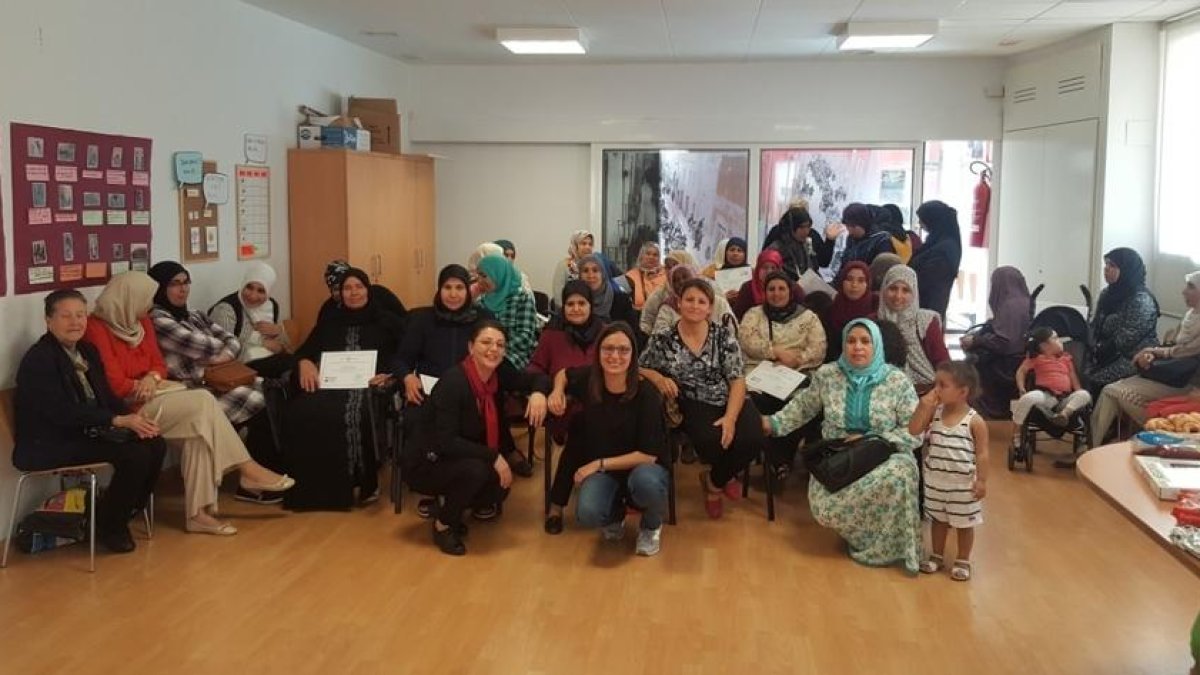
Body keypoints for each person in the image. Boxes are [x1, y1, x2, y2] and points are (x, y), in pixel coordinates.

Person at [84, 272, 293, 535]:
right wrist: (142, 384)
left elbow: (158, 363)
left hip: (159, 393)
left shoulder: (142, 321)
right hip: (128, 408)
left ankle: (198, 515)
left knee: (199, 432)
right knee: (204, 402)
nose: (149, 305)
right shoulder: (96, 328)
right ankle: (247, 468)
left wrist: (152, 376)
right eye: (145, 299)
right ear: (129, 298)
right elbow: (113, 382)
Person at [763, 318, 922, 573]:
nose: (857, 347)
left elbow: (915, 429)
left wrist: (875, 439)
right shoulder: (828, 374)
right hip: (838, 454)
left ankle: (890, 547)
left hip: (886, 452)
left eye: (865, 341)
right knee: (827, 505)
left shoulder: (897, 381)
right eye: (851, 341)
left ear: (876, 345)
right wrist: (773, 423)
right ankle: (861, 537)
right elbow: (804, 407)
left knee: (900, 475)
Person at [14, 289, 166, 553]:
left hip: (86, 430)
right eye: (66, 316)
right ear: (48, 321)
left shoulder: (86, 350)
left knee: (154, 442)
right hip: (51, 441)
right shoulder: (39, 359)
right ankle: (112, 526)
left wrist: (134, 417)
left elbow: (105, 395)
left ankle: (118, 511)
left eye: (81, 315)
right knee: (133, 456)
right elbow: (61, 412)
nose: (75, 322)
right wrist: (117, 419)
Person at [405, 320, 549, 555]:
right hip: (427, 460)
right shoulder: (454, 382)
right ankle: (443, 524)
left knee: (499, 489)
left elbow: (537, 378)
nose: (493, 349)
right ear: (471, 347)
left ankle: (452, 502)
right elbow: (446, 441)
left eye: (500, 344)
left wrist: (539, 394)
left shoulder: (497, 374)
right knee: (478, 471)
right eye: (486, 342)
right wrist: (494, 456)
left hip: (458, 454)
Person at [282, 267, 405, 510]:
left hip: (372, 387)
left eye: (358, 287)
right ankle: (313, 491)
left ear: (368, 290)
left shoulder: (388, 322)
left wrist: (389, 375)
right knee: (301, 410)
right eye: (347, 288)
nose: (353, 293)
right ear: (339, 293)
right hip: (331, 385)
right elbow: (304, 352)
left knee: (356, 413)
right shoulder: (330, 322)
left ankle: (364, 482)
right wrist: (304, 362)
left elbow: (405, 356)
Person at [639, 279, 763, 519]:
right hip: (693, 400)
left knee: (753, 437)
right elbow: (639, 366)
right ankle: (724, 475)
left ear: (710, 307)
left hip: (730, 397)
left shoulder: (723, 335)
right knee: (711, 440)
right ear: (679, 303)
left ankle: (714, 481)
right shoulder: (663, 338)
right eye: (689, 300)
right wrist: (658, 378)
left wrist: (730, 416)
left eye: (701, 301)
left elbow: (737, 379)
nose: (695, 306)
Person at [545, 323, 669, 555]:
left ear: (633, 355)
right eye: (608, 349)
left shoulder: (646, 393)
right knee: (588, 512)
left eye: (623, 350)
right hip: (607, 471)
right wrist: (556, 391)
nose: (615, 356)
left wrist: (597, 464)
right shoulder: (589, 378)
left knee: (647, 484)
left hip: (643, 466)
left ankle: (651, 526)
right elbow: (563, 374)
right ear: (598, 352)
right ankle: (615, 515)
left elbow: (648, 455)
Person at [146, 261, 266, 427]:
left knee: (270, 389)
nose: (183, 289)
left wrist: (221, 356)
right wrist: (220, 351)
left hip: (221, 378)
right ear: (159, 287)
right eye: (174, 284)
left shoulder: (195, 315)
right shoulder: (158, 320)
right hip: (195, 388)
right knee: (258, 399)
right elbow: (205, 347)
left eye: (186, 282)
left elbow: (233, 341)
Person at [1091, 270, 1200, 441]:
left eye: (1191, 287)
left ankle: (1161, 437)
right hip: (1168, 373)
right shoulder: (1190, 316)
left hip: (1188, 383)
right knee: (1109, 390)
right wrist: (1152, 353)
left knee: (1117, 393)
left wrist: (1151, 351)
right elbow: (1171, 346)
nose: (1184, 291)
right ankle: (1092, 447)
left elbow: (1184, 352)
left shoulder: (1141, 299)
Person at [738, 272, 826, 481]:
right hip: (760, 371)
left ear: (790, 291)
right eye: (771, 289)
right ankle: (777, 459)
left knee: (802, 405)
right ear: (765, 292)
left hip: (796, 373)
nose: (776, 294)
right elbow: (746, 341)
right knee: (756, 402)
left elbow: (818, 349)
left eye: (781, 289)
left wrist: (797, 360)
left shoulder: (808, 317)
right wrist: (774, 352)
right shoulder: (754, 314)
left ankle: (780, 458)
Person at [908, 361, 989, 581]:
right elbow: (913, 430)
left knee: (964, 523)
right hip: (935, 481)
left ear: (963, 392)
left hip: (962, 484)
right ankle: (937, 555)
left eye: (942, 385)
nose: (936, 390)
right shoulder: (934, 413)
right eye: (936, 384)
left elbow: (982, 453)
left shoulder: (975, 421)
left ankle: (963, 559)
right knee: (938, 520)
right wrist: (924, 406)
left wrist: (981, 480)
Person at [527, 281, 604, 441]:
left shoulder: (605, 333)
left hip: (601, 405)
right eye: (570, 304)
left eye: (582, 303)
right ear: (563, 307)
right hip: (562, 408)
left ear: (591, 305)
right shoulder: (552, 334)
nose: (576, 309)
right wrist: (538, 392)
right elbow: (536, 367)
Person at [1086, 248, 1160, 395]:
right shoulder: (1107, 293)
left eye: (1112, 265)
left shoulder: (1141, 300)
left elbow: (1125, 339)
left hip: (1133, 358)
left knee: (1092, 379)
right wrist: (1089, 343)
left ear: (1127, 270)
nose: (1106, 269)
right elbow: (1096, 325)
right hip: (1106, 352)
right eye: (1106, 264)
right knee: (1070, 369)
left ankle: (1094, 417)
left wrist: (1097, 351)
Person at [963, 267, 1032, 419]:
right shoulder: (1027, 301)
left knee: (972, 365)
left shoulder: (1008, 305)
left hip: (1005, 366)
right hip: (1023, 361)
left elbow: (1004, 343)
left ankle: (985, 416)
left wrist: (975, 340)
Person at [208, 261, 293, 377]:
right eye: (249, 287)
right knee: (291, 367)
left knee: (300, 364)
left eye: (261, 291)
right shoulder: (226, 309)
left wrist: (279, 331)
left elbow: (287, 348)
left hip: (271, 360)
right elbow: (223, 351)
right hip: (241, 366)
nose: (253, 296)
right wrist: (261, 342)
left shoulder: (271, 306)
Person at [875, 266, 951, 392]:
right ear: (883, 289)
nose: (898, 296)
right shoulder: (873, 322)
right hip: (884, 392)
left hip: (924, 390)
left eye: (906, 290)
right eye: (893, 288)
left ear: (914, 293)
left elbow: (942, 363)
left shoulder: (925, 321)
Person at [1014, 328, 1093, 448]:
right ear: (1044, 345)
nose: (1060, 341)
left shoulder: (1066, 359)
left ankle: (1064, 415)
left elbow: (1073, 378)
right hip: (1046, 396)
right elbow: (1021, 371)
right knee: (1027, 398)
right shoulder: (1036, 358)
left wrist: (1078, 392)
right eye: (1055, 338)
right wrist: (1021, 388)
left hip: (1065, 401)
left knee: (1084, 394)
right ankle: (1017, 436)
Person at [477, 255, 541, 371]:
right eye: (478, 276)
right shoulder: (480, 302)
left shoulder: (522, 298)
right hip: (484, 357)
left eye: (484, 276)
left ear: (498, 274)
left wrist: (496, 349)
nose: (479, 280)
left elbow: (525, 338)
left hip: (514, 357)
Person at [908, 200, 963, 320]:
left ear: (933, 220)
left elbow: (927, 280)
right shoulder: (937, 242)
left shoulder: (945, 249)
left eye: (922, 220)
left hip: (928, 310)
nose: (920, 224)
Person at [647, 264, 735, 336]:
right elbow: (658, 335)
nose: (681, 282)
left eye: (685, 277)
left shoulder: (718, 302)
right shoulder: (668, 306)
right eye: (676, 280)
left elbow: (732, 330)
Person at [766, 205, 828, 282]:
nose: (806, 231)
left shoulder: (806, 244)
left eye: (808, 227)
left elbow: (814, 268)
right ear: (790, 227)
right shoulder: (775, 250)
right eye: (802, 227)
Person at [829, 202, 894, 272]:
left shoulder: (882, 240)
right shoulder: (851, 239)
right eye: (847, 226)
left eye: (853, 226)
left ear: (862, 224)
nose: (849, 231)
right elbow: (845, 266)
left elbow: (882, 272)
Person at [578, 254, 638, 327]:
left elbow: (632, 331)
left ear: (603, 274)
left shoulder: (620, 298)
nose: (591, 275)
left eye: (595, 270)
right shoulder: (576, 299)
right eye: (585, 271)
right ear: (580, 276)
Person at [732, 249, 784, 320]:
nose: (769, 271)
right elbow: (736, 317)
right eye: (765, 267)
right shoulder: (747, 288)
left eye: (773, 268)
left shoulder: (787, 287)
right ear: (758, 269)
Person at [551, 230, 597, 299]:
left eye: (590, 244)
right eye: (583, 244)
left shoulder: (593, 267)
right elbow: (558, 297)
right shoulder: (563, 266)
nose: (588, 247)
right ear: (575, 246)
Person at [624, 241, 666, 311]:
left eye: (655, 255)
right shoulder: (630, 276)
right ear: (641, 256)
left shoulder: (667, 275)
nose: (651, 257)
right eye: (648, 254)